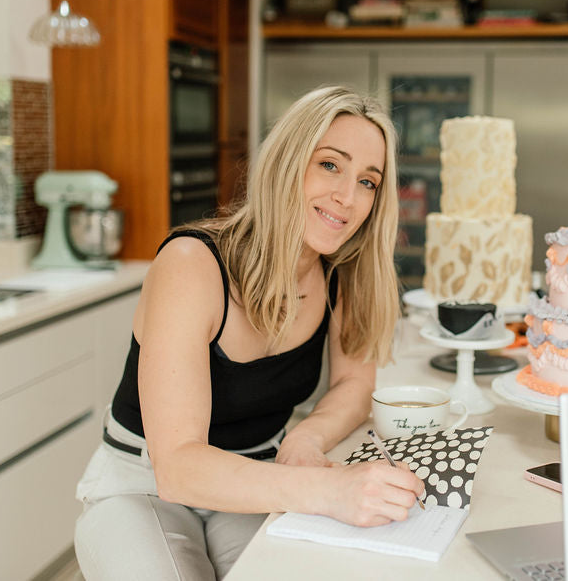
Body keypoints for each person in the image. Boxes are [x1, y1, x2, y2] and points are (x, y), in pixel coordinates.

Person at [74, 86, 424, 580]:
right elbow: (177, 468)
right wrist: (332, 491)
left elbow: (356, 383)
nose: (347, 197)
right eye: (329, 165)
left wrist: (308, 436)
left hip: (260, 476)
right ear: (287, 162)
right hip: (142, 484)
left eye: (368, 181)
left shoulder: (341, 272)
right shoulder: (192, 264)